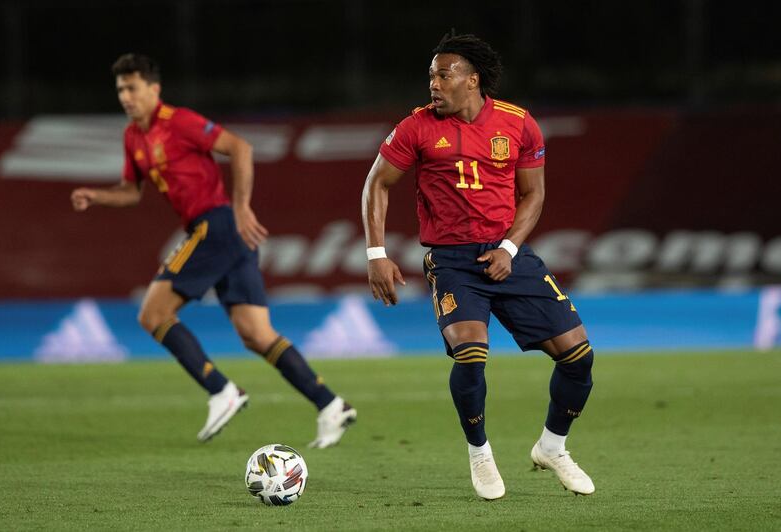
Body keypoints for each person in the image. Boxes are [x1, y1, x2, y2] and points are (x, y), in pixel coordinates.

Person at [71, 53, 356, 447]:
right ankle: (330, 404)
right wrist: (96, 196)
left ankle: (221, 390)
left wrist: (240, 206)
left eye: (132, 87)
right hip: (222, 234)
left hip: (217, 226)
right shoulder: (133, 138)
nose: (125, 96)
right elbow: (131, 192)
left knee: (153, 313)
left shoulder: (180, 121)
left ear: (154, 89)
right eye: (120, 88)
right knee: (256, 334)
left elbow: (240, 147)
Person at [362, 32, 595, 499]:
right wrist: (376, 254)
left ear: (472, 80)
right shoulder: (416, 128)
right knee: (471, 352)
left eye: (442, 74)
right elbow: (376, 185)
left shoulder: (518, 124)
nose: (433, 83)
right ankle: (480, 453)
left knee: (578, 357)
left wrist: (509, 250)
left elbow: (533, 195)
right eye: (430, 74)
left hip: (508, 254)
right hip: (451, 261)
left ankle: (552, 446)